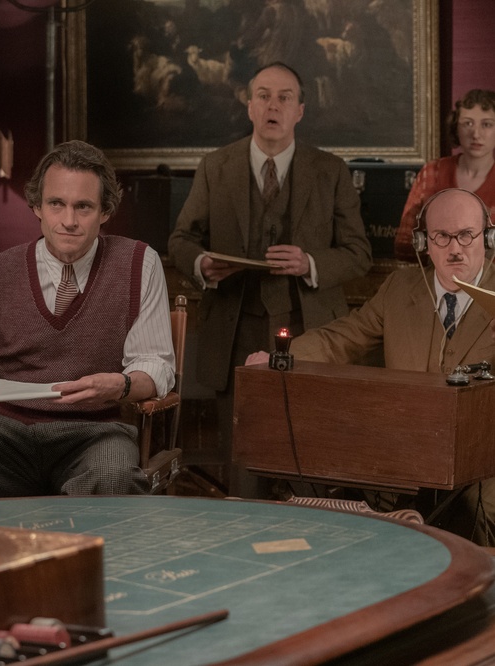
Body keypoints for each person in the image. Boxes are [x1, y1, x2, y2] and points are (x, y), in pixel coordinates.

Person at [0, 140, 175, 501]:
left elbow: (155, 365)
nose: (69, 221)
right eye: (56, 204)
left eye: (83, 206)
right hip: (3, 429)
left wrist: (120, 384)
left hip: (96, 431)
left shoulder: (139, 263)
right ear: (37, 206)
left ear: (105, 211)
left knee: (113, 476)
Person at [247, 188, 495, 545]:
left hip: (483, 464)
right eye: (442, 236)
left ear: (488, 237)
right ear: (423, 242)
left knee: (475, 515)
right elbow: (344, 338)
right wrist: (279, 357)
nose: (455, 248)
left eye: (466, 235)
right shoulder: (399, 288)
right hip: (405, 453)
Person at [167, 61, 372, 493]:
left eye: (284, 97)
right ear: (249, 107)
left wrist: (309, 263)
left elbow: (359, 254)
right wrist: (202, 265)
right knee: (244, 466)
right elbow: (181, 240)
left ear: (300, 110)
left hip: (310, 331)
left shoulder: (331, 170)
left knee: (309, 463)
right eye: (263, 96)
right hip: (234, 333)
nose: (273, 106)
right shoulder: (216, 166)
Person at [395, 88, 495, 262]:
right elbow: (403, 243)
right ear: (456, 127)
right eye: (468, 124)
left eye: (486, 124)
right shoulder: (432, 172)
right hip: (435, 275)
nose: (476, 134)